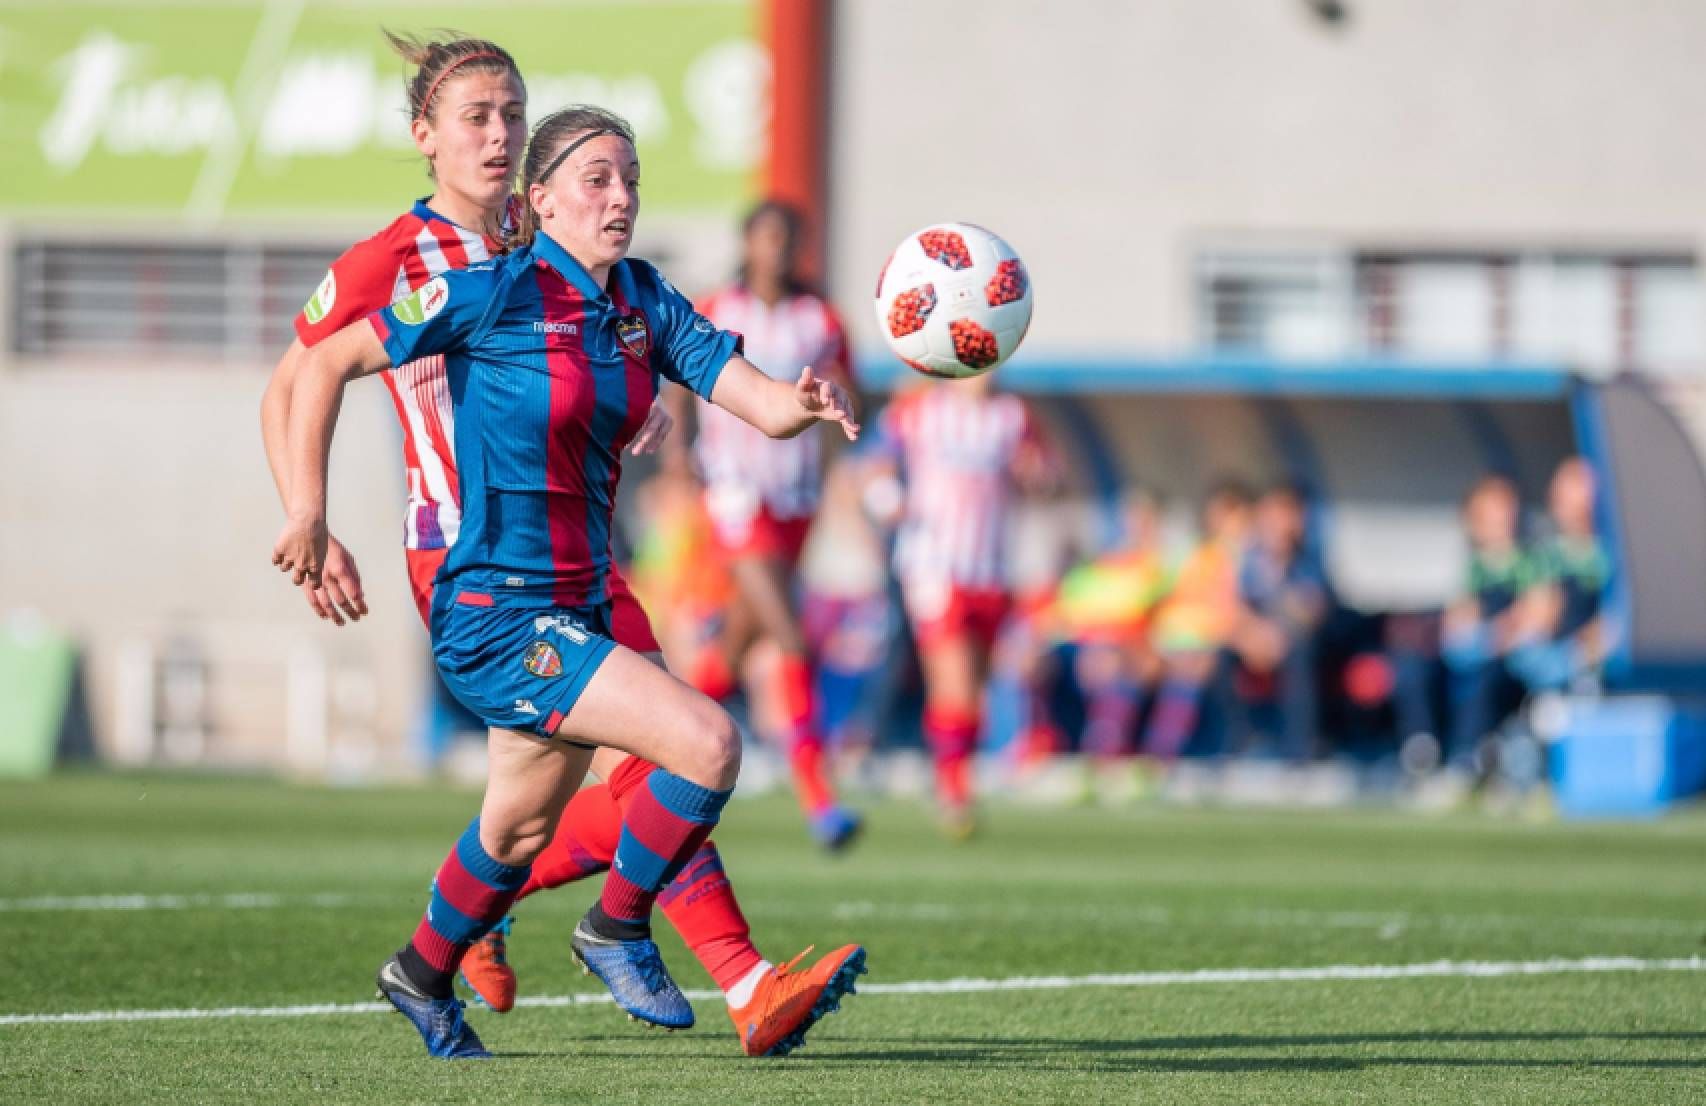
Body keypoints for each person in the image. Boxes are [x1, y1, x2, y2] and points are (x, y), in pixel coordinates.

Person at [262, 64, 862, 1058]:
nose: (620, 197)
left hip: (580, 588)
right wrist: (311, 514)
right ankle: (627, 927)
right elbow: (319, 362)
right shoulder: (484, 286)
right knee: (702, 742)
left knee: (517, 832)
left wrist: (804, 401)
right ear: (537, 201)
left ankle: (419, 969)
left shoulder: (639, 300)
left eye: (629, 179)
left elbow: (748, 393)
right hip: (492, 600)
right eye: (595, 179)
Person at [678, 199, 861, 850]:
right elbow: (679, 376)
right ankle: (819, 795)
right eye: (767, 236)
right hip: (734, 493)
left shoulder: (822, 319)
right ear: (748, 243)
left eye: (789, 237)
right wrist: (677, 456)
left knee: (735, 643)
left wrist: (845, 467)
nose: (778, 249)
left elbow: (849, 398)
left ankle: (646, 753)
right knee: (791, 633)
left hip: (796, 497)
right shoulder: (716, 307)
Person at [864, 373, 1055, 838]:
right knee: (955, 680)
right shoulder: (920, 408)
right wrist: (887, 499)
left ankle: (949, 773)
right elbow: (871, 466)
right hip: (933, 567)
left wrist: (1037, 474)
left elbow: (1045, 475)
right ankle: (954, 791)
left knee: (977, 686)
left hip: (989, 568)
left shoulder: (1013, 415)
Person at [1229, 483, 1332, 761]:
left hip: (1293, 640)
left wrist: (1278, 630)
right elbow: (1234, 605)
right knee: (1220, 657)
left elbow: (1311, 611)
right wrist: (1252, 634)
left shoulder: (1308, 559)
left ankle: (1297, 752)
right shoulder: (1247, 557)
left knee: (1299, 654)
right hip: (1256, 638)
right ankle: (1235, 747)